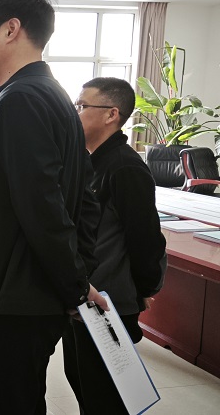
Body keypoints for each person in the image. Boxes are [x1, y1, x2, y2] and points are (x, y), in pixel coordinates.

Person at [0, 0, 108, 414]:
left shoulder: (19, 100)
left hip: (7, 303)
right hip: (28, 298)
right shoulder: (52, 95)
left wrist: (75, 286)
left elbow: (43, 209)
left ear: (11, 29)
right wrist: (76, 280)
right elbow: (85, 203)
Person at [63, 77, 167, 414]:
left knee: (105, 397)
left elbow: (145, 238)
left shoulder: (125, 167)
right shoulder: (87, 161)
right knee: (82, 382)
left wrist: (144, 288)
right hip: (82, 296)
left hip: (108, 303)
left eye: (82, 106)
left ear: (111, 114)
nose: (75, 113)